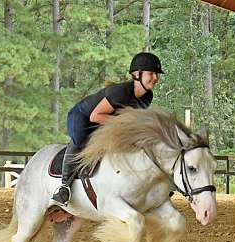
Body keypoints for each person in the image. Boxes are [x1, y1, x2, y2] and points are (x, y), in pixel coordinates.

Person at [51, 52, 164, 207]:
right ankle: (64, 188)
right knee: (81, 141)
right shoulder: (120, 92)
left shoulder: (147, 96)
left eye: (157, 74)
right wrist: (124, 124)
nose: (156, 78)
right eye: (151, 73)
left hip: (107, 122)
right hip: (83, 117)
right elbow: (95, 116)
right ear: (137, 74)